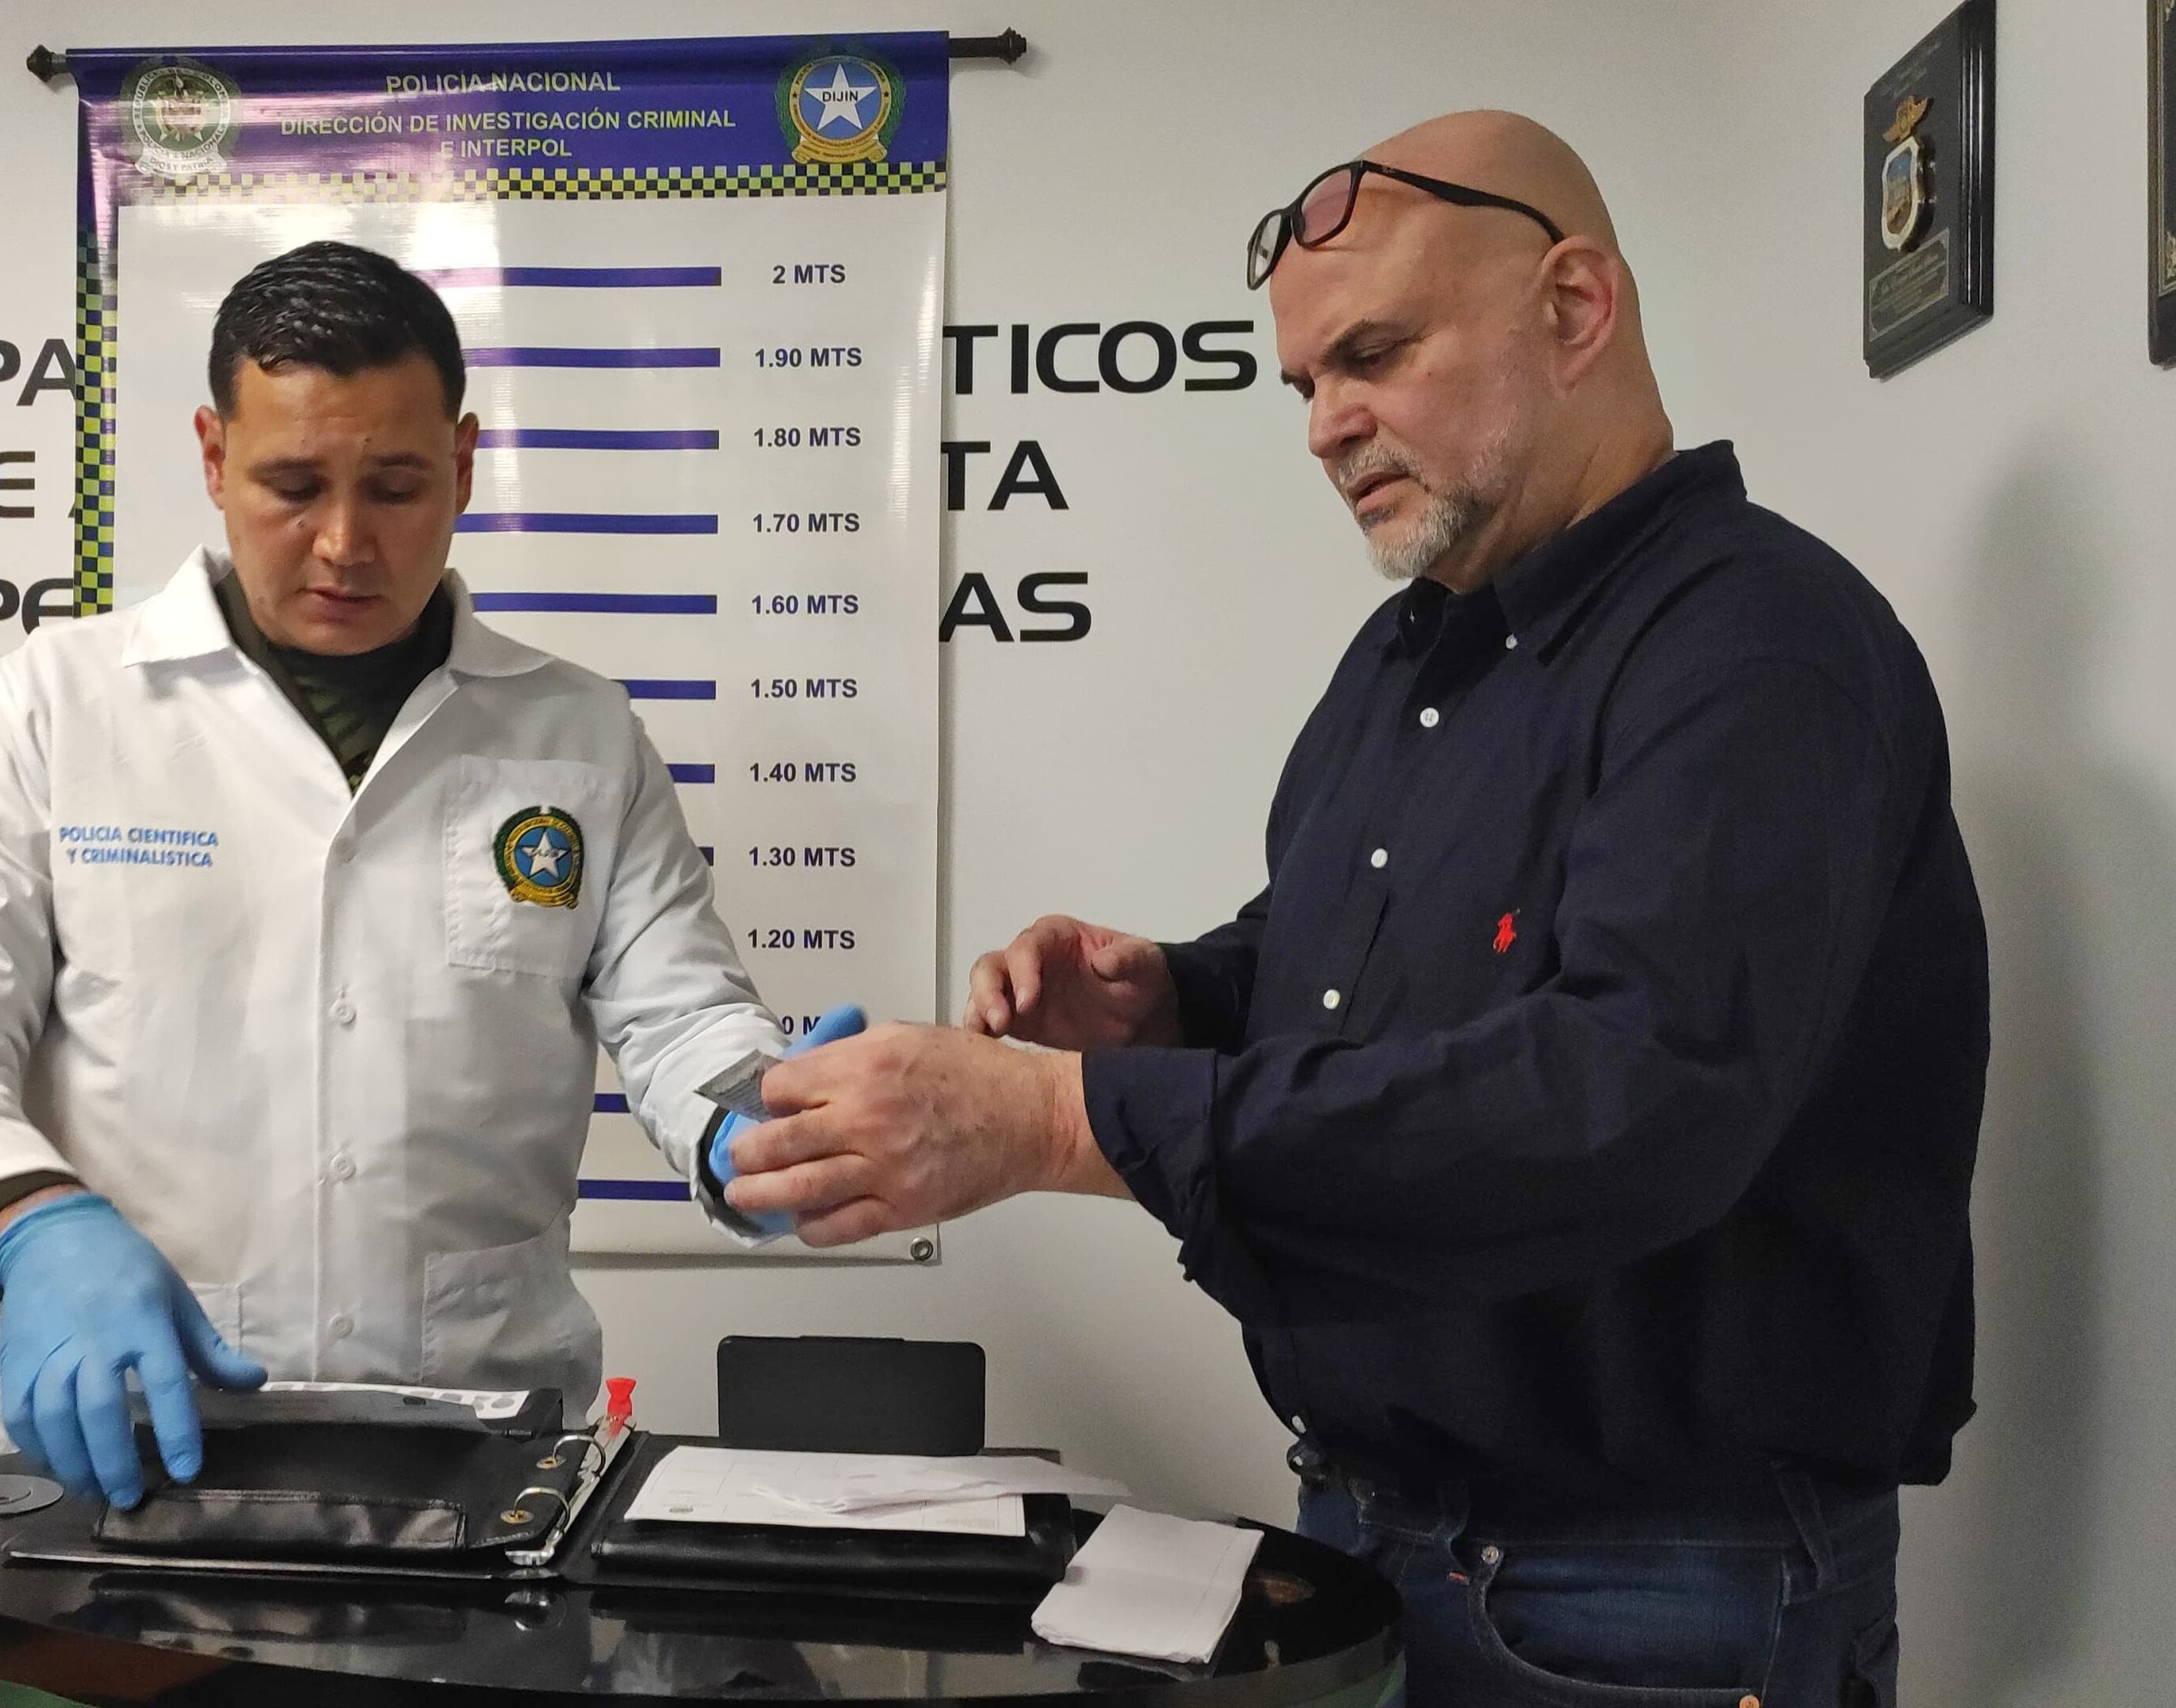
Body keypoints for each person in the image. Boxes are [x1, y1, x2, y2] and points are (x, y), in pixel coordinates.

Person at [723, 111, 1985, 1705]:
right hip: (1380, 1531)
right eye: (1307, 381)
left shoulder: (1758, 650)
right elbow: (1378, 974)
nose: (1328, 423)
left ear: (1575, 309)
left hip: (1651, 1591)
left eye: (1374, 354)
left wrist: (1062, 1117)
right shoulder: (1410, 656)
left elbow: (1629, 1097)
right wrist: (1173, 994)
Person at [0, 240, 813, 1511]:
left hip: (484, 1462)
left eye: (398, 486)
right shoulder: (56, 709)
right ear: (211, 456)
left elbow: (681, 1013)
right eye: (292, 483)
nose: (345, 542)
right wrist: (31, 1225)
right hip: (133, 1446)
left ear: (464, 465)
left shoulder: (575, 734)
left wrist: (763, 1120)